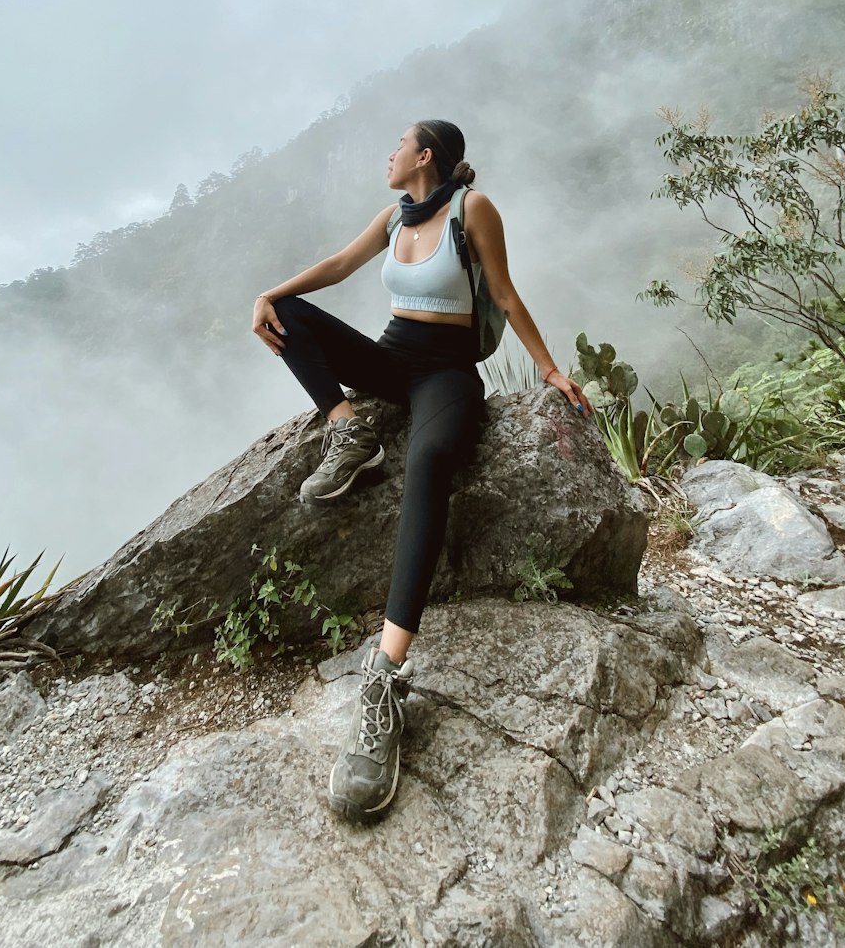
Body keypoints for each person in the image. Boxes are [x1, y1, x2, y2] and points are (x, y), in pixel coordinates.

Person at [251, 119, 592, 822]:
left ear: (426, 154)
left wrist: (550, 369)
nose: (389, 153)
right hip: (391, 356)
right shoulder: (391, 216)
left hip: (445, 370)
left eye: (397, 144)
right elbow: (341, 265)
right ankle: (349, 435)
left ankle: (385, 672)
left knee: (431, 458)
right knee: (288, 312)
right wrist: (270, 294)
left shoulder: (474, 209)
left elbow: (503, 294)